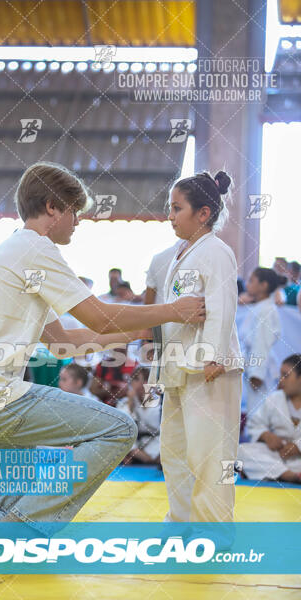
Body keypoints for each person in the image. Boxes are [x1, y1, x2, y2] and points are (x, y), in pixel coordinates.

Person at [0, 161, 205, 527]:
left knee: (12, 524)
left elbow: (64, 343)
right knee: (119, 429)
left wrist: (137, 333)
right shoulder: (36, 249)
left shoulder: (11, 252)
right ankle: (23, 525)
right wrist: (171, 310)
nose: (77, 221)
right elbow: (96, 315)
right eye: (74, 211)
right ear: (51, 207)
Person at [151, 170, 243, 524]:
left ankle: (215, 531)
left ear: (203, 214)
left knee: (209, 455)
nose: (170, 216)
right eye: (169, 208)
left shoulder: (217, 252)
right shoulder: (179, 254)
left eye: (177, 208)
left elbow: (221, 307)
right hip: (177, 368)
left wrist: (213, 357)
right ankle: (181, 520)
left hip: (209, 370)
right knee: (174, 453)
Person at [238, 354, 301, 483]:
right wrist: (266, 435)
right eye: (280, 375)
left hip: (298, 460)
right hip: (276, 456)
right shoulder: (274, 399)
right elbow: (254, 425)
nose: (280, 380)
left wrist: (298, 447)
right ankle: (290, 476)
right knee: (242, 451)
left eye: (286, 375)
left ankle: (277, 475)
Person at [238, 267, 283, 415]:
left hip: (261, 370)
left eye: (252, 281)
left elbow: (261, 344)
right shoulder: (259, 307)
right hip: (254, 363)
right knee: (254, 410)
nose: (247, 284)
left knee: (258, 412)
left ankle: (262, 438)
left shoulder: (266, 310)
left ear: (264, 285)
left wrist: (257, 374)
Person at [117, 367, 161, 465]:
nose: (141, 383)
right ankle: (142, 458)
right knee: (123, 437)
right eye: (136, 379)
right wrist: (130, 405)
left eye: (145, 379)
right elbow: (123, 430)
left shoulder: (160, 403)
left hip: (156, 445)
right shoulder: (125, 403)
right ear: (131, 383)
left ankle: (151, 459)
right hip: (134, 448)